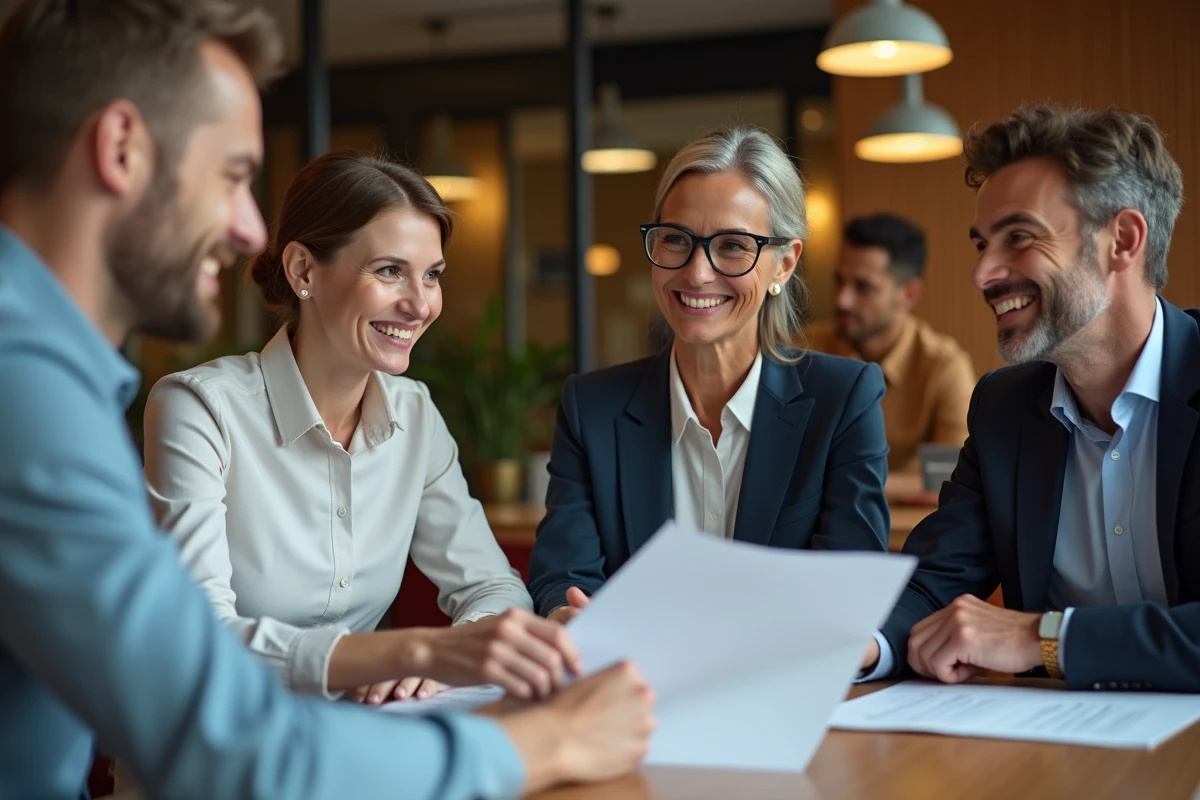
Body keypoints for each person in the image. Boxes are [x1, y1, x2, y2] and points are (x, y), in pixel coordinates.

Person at [0, 2, 653, 798]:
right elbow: (213, 723)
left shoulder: (57, 376)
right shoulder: (38, 386)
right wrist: (535, 734)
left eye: (434, 275)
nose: (248, 230)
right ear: (121, 147)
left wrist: (475, 649)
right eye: (234, 176)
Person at [143, 151, 551, 709]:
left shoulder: (415, 414)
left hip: (353, 742)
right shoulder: (198, 409)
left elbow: (494, 588)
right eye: (389, 271)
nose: (420, 303)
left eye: (431, 276)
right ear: (303, 270)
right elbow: (202, 636)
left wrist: (452, 658)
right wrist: (408, 655)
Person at [860, 103, 1200, 692]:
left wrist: (1040, 637)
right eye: (982, 245)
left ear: (1122, 240)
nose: (984, 274)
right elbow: (933, 581)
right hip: (1055, 752)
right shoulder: (1004, 408)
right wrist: (863, 645)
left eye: (1019, 238)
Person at [527, 126, 890, 623]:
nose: (697, 272)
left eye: (733, 246)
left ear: (784, 263)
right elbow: (564, 575)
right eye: (677, 239)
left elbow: (848, 587)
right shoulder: (591, 408)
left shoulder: (843, 399)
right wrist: (564, 614)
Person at [806, 214, 975, 502]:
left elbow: (954, 474)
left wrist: (844, 483)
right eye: (839, 281)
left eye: (863, 287)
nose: (842, 300)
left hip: (906, 539)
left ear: (908, 295)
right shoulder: (804, 350)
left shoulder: (943, 366)